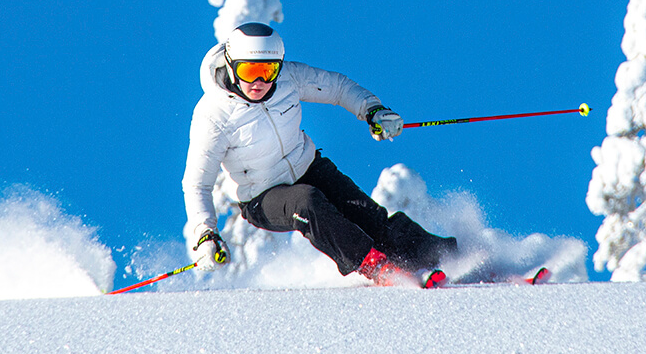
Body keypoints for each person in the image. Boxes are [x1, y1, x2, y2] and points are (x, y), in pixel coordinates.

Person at [182, 21, 457, 288]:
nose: (258, 81)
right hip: (262, 197)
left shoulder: (288, 78)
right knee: (307, 202)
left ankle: (450, 257)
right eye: (249, 70)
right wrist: (205, 234)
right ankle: (378, 267)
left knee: (369, 217)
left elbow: (336, 87)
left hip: (309, 167)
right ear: (231, 65)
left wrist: (372, 110)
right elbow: (197, 183)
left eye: (267, 71)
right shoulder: (213, 115)